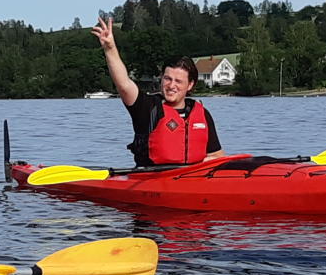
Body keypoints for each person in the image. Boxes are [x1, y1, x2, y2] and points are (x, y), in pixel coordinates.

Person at [92, 16, 226, 167]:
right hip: (151, 177)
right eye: (167, 79)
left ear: (190, 85)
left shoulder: (202, 114)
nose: (171, 85)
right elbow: (124, 84)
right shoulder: (147, 107)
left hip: (191, 177)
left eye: (178, 81)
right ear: (161, 78)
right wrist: (110, 49)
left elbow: (217, 155)